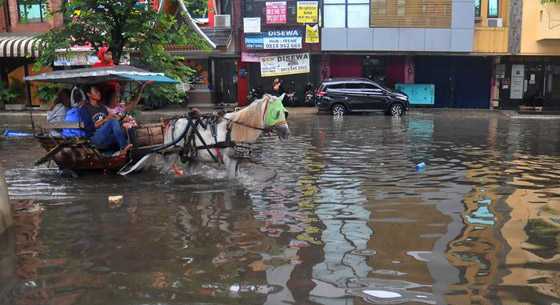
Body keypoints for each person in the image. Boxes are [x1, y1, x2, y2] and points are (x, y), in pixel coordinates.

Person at [78, 85, 132, 155]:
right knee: (112, 120)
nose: (99, 93)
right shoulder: (85, 108)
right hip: (94, 138)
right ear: (89, 94)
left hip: (106, 137)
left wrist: (122, 121)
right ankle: (123, 147)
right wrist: (107, 119)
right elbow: (89, 128)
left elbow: (111, 126)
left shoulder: (102, 107)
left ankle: (134, 151)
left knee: (129, 128)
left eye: (98, 91)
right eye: (96, 91)